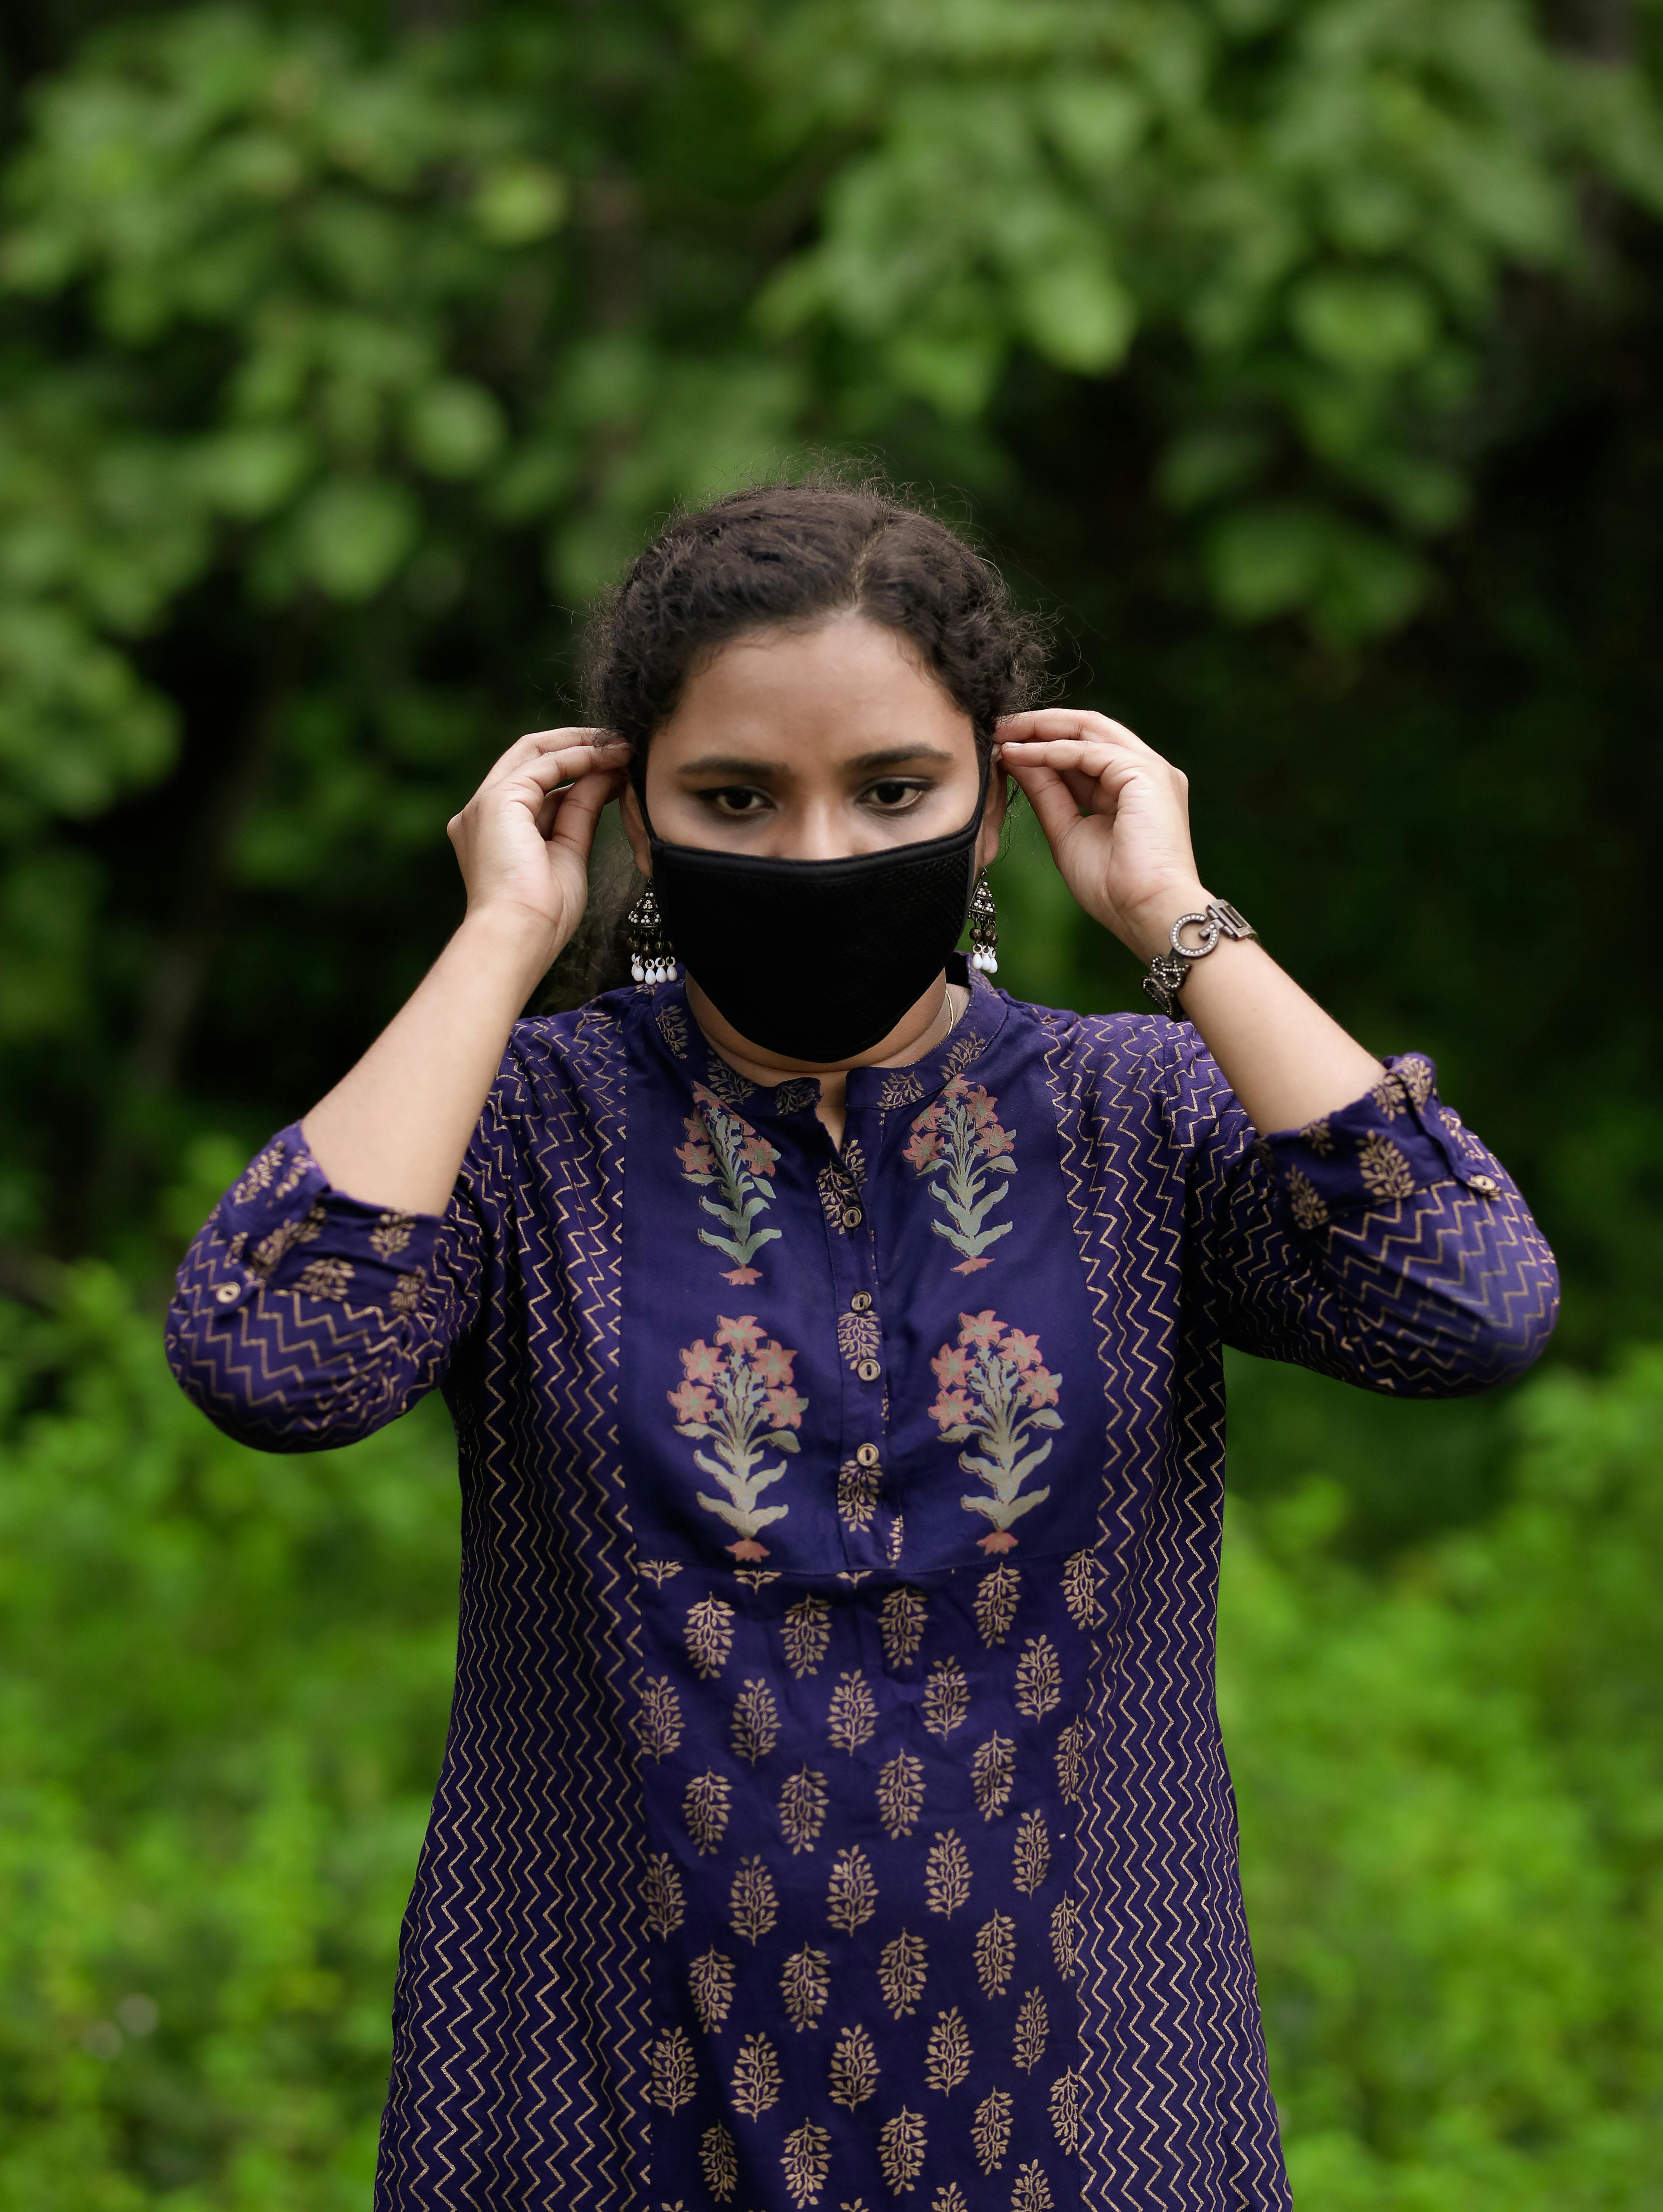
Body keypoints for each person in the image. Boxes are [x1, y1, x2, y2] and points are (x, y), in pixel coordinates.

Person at [167, 480, 1558, 2212]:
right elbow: (274, 1359)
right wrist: (503, 937)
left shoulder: (1138, 1117)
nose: (820, 856)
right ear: (636, 815)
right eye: (736, 798)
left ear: (992, 806)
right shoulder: (520, 1126)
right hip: (601, 2099)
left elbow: (1468, 1301)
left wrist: (1177, 922)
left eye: (892, 790)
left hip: (1088, 2106)